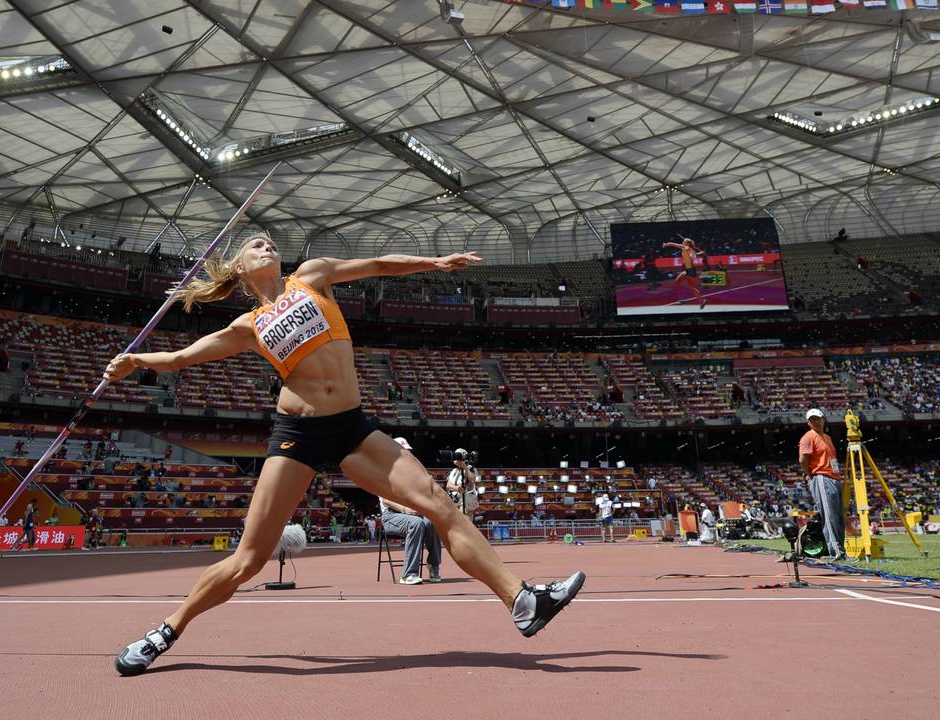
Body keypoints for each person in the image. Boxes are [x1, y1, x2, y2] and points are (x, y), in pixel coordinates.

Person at [102, 235, 584, 676]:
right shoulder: (248, 325)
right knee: (248, 560)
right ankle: (166, 631)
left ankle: (522, 601)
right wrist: (136, 361)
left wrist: (431, 262)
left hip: (353, 425)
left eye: (269, 241)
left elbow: (375, 265)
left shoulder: (312, 276)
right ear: (242, 270)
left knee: (439, 504)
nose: (266, 245)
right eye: (254, 245)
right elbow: (185, 357)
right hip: (298, 435)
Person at [380, 438, 442, 584]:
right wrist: (405, 509)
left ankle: (434, 565)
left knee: (432, 522)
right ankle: (408, 574)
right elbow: (385, 499)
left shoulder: (411, 473)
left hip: (412, 514)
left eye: (407, 452)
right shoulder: (384, 472)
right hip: (391, 516)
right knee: (416, 523)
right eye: (403, 451)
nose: (406, 454)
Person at [799, 408, 845, 561]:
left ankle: (841, 550)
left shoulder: (827, 437)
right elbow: (802, 459)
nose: (815, 421)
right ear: (808, 422)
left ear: (823, 419)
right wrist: (811, 474)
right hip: (821, 477)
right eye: (812, 419)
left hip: (833, 477)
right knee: (830, 516)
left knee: (838, 517)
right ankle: (835, 551)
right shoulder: (808, 437)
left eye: (817, 418)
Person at [662, 236, 707, 309]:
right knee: (677, 282)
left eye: (684, 241)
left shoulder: (685, 247)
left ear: (687, 243)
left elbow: (673, 244)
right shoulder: (692, 250)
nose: (683, 241)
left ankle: (701, 300)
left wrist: (666, 244)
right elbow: (695, 255)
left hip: (690, 271)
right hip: (689, 270)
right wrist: (701, 253)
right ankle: (685, 299)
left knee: (691, 287)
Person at [444, 448, 480, 522]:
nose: (454, 457)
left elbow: (472, 480)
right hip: (454, 502)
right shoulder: (454, 471)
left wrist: (465, 468)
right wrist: (456, 488)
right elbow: (447, 485)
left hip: (465, 504)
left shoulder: (470, 468)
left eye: (456, 455)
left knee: (465, 525)